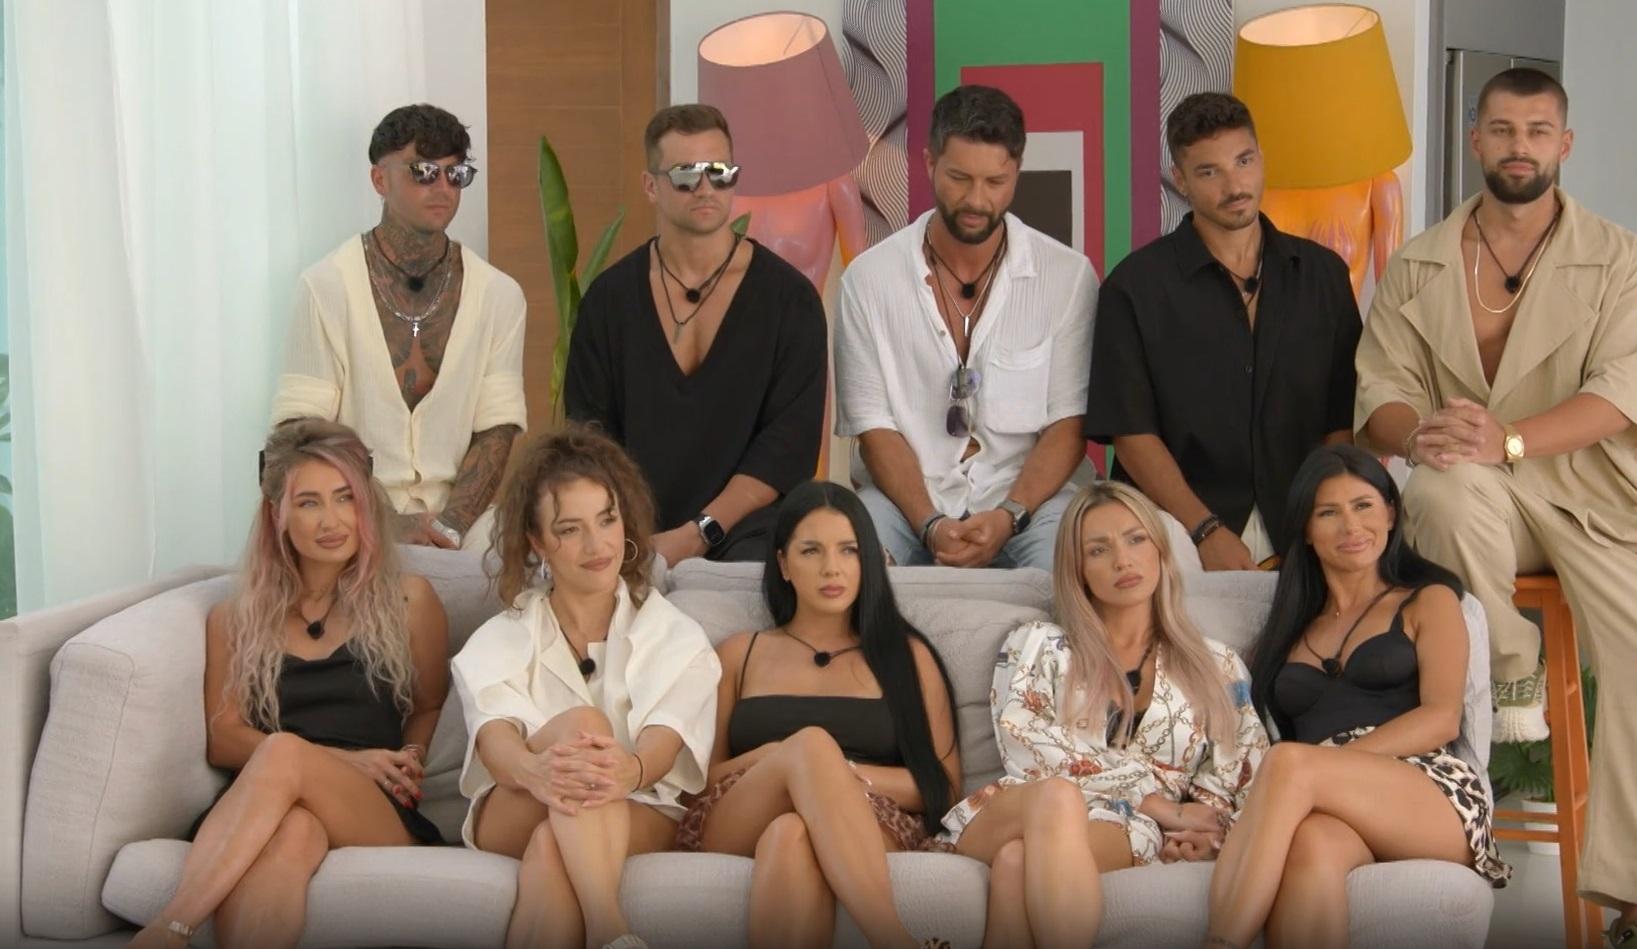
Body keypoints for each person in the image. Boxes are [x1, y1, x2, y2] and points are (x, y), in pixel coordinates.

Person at [1353, 67, 1637, 936]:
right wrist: (1421, 438)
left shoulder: (1617, 257)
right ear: (1473, 138)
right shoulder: (1419, 262)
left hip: (1589, 496)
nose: (1520, 146)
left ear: (1564, 144)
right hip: (1478, 503)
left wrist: (1506, 439)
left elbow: (1620, 392)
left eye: (1537, 130)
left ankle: (1630, 886)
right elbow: (1378, 394)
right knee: (1439, 487)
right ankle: (1510, 671)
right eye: (1503, 129)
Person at [131, 420, 450, 948]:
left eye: (345, 498)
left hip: (371, 803)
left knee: (282, 751)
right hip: (264, 800)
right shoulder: (234, 618)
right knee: (293, 832)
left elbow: (428, 704)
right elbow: (224, 738)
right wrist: (339, 759)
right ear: (275, 514)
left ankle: (169, 928)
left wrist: (408, 762)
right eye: (309, 503)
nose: (332, 520)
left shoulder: (409, 599)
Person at [1204, 446, 1509, 949]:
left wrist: (1323, 766)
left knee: (1289, 762)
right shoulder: (1286, 630)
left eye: (1363, 505)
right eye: (1328, 512)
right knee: (1313, 845)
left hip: (1430, 789)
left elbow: (1441, 718)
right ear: (1306, 529)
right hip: (1327, 804)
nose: (1351, 526)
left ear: (1390, 513)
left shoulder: (1428, 599)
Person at [941, 480, 1266, 949]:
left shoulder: (1216, 666)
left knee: (1017, 863)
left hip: (1126, 828)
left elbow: (1241, 774)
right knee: (1057, 798)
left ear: (1160, 551)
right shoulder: (1038, 644)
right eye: (1099, 549)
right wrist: (1154, 800)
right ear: (1078, 569)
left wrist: (1207, 832)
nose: (1122, 560)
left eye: (1136, 539)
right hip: (1020, 806)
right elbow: (1026, 746)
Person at [450, 424, 720, 949]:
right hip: (517, 800)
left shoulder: (675, 634)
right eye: (570, 529)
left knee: (555, 845)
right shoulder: (503, 635)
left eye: (607, 520)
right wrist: (534, 771)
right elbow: (495, 739)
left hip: (638, 804)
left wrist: (628, 771)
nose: (597, 545)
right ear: (537, 542)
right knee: (585, 726)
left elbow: (663, 745)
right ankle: (609, 930)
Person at [674, 481, 960, 949]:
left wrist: (833, 775)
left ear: (868, 561)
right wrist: (782, 759)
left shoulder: (905, 657)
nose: (832, 567)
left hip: (868, 815)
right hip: (740, 809)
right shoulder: (740, 654)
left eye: (849, 550)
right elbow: (693, 784)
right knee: (809, 745)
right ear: (784, 564)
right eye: (811, 551)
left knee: (791, 832)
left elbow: (943, 786)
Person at [1084, 92, 1360, 571]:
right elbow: (1132, 433)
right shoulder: (1133, 288)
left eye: (1244, 161)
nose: (1235, 186)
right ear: (1181, 180)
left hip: (1303, 521)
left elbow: (1342, 418)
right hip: (1173, 525)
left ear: (1261, 159)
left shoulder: (1323, 274)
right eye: (1209, 172)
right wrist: (1205, 531)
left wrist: (1321, 520)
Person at [835, 85, 1096, 572]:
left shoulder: (1068, 276)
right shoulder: (868, 280)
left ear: (1017, 171)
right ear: (930, 163)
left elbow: (1069, 424)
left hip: (1032, 502)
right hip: (903, 500)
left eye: (995, 181)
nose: (977, 200)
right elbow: (874, 429)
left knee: (1070, 571)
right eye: (959, 178)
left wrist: (1010, 515)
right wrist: (929, 522)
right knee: (851, 563)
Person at [565, 104, 827, 567]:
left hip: (752, 534)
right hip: (630, 530)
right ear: (651, 186)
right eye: (686, 175)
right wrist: (632, 537)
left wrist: (698, 534)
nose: (706, 188)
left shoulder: (791, 300)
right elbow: (591, 438)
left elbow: (787, 447)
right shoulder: (608, 301)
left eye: (720, 173)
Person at [272, 103, 526, 553]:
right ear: (379, 180)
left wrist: (449, 528)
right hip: (349, 517)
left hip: (463, 526)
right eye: (423, 172)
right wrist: (383, 524)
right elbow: (300, 432)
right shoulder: (325, 286)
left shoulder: (499, 295)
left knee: (526, 560)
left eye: (456, 174)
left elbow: (497, 430)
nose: (442, 188)